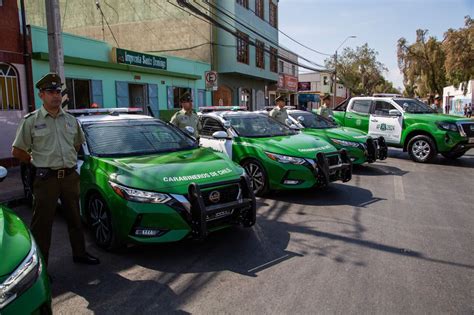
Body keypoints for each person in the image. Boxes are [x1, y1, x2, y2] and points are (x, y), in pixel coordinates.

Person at [11, 72, 100, 266]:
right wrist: (34, 160)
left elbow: (77, 144)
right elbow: (17, 151)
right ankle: (40, 266)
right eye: (51, 91)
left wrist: (66, 161)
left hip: (69, 177)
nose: (56, 96)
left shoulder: (70, 120)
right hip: (46, 180)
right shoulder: (31, 121)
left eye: (58, 91)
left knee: (75, 219)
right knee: (42, 225)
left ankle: (80, 254)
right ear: (41, 95)